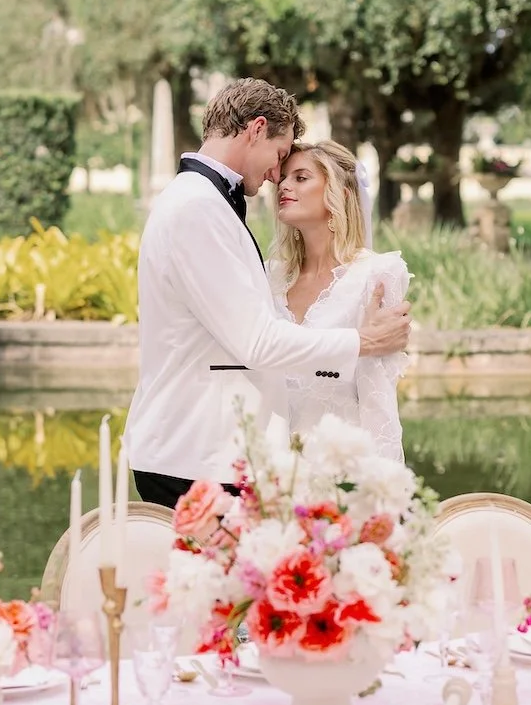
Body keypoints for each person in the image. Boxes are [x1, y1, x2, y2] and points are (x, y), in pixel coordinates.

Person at [126, 78, 411, 509]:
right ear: (257, 129)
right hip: (193, 454)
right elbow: (258, 342)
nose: (277, 177)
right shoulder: (197, 206)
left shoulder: (199, 201)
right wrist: (364, 341)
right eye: (279, 157)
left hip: (228, 459)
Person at [272, 139, 409, 462]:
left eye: (301, 178)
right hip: (271, 468)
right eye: (283, 178)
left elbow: (378, 394)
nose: (284, 186)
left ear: (340, 194)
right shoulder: (269, 277)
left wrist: (385, 482)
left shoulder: (376, 275)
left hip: (340, 469)